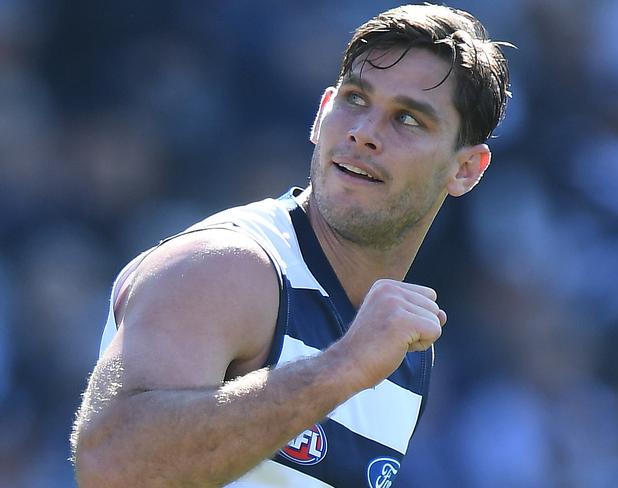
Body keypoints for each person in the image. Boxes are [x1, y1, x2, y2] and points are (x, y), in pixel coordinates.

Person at [71, 4, 511, 487]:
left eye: (407, 120)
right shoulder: (226, 265)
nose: (363, 133)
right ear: (322, 114)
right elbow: (111, 462)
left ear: (466, 169)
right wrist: (342, 366)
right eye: (356, 100)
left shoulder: (402, 348)